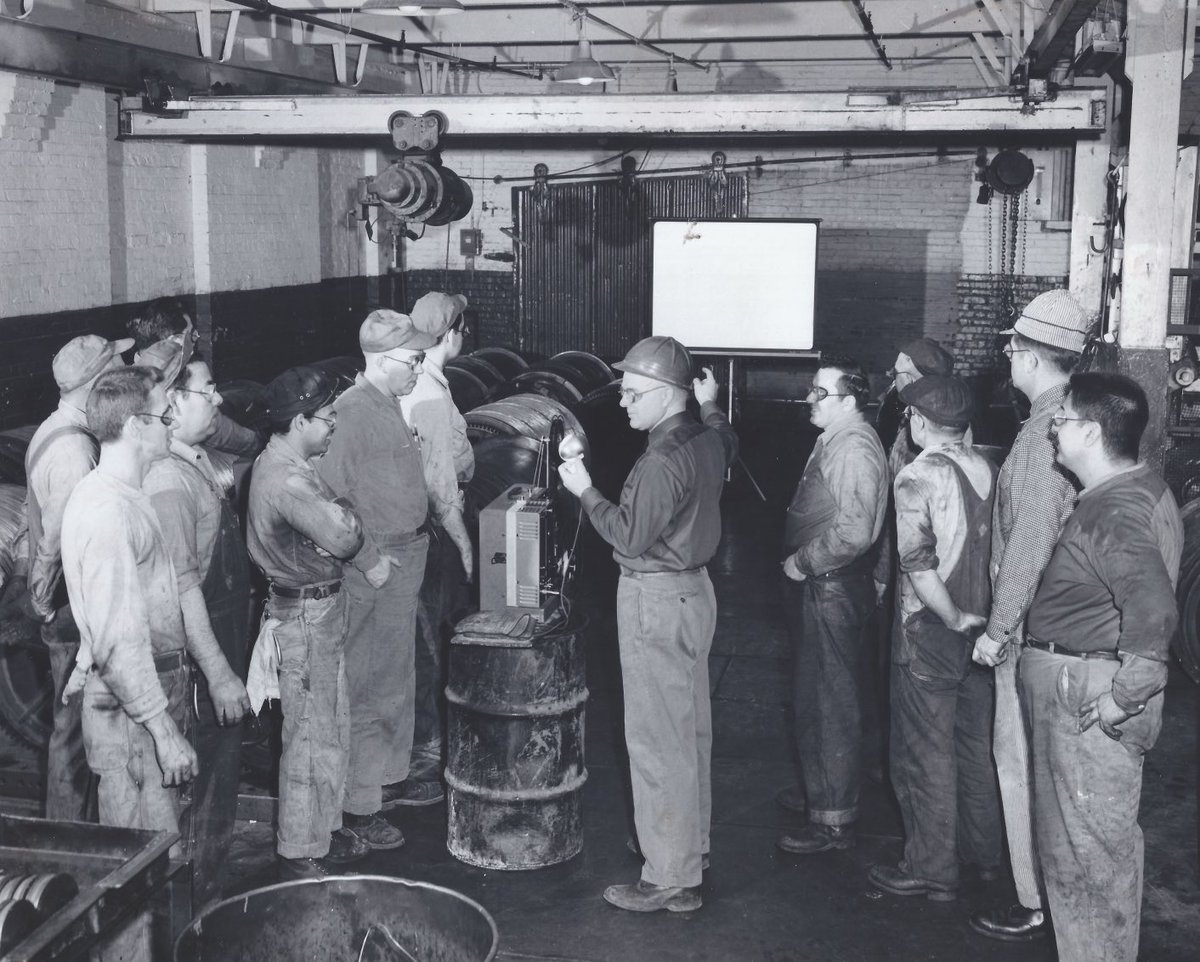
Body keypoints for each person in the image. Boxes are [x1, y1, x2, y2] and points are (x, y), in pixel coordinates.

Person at [559, 335, 736, 913]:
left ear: (667, 394)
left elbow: (629, 534)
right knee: (689, 732)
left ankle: (667, 877)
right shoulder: (708, 438)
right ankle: (690, 853)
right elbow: (727, 436)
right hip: (695, 594)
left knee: (656, 741)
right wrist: (712, 404)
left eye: (634, 395)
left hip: (655, 600)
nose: (624, 405)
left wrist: (583, 489)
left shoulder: (660, 460)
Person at [1022, 371, 1181, 962]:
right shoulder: (1143, 488)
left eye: (1060, 419)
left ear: (1089, 431)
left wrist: (1125, 694)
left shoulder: (1112, 510)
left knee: (1082, 856)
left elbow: (1153, 607)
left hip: (1088, 689)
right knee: (1100, 851)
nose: (1053, 431)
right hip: (1091, 677)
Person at [60, 366, 199, 962]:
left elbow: (106, 622)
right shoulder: (108, 512)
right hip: (135, 721)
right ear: (137, 425)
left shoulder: (119, 496)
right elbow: (119, 641)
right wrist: (163, 731)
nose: (171, 421)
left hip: (133, 701)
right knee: (141, 879)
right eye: (164, 411)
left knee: (155, 868)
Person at [968, 289, 1092, 942]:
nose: (1008, 359)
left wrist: (996, 631)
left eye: (1013, 349)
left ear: (1035, 358)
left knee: (1018, 762)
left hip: (1027, 633)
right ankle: (1044, 891)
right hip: (1047, 627)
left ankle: (1034, 898)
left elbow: (1029, 541)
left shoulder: (1048, 430)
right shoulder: (1061, 417)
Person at [867, 375, 1001, 902]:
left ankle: (930, 867)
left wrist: (950, 617)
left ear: (919, 422)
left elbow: (919, 567)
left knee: (924, 752)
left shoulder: (917, 476)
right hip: (983, 630)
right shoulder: (986, 466)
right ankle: (983, 857)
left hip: (934, 630)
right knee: (973, 747)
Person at [246, 365, 371, 879]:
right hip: (304, 615)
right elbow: (345, 538)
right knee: (308, 734)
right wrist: (344, 518)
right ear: (298, 421)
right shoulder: (288, 478)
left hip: (317, 608)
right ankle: (301, 848)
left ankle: (323, 827)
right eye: (326, 417)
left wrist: (341, 511)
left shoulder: (291, 460)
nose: (334, 424)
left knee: (329, 721)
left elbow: (340, 522)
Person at [140, 339, 251, 907]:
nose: (218, 397)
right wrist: (219, 673)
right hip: (197, 665)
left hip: (223, 641)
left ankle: (207, 896)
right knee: (199, 791)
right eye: (207, 391)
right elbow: (182, 589)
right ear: (172, 405)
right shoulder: (168, 484)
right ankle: (192, 912)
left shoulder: (196, 460)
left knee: (219, 783)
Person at [317, 309, 434, 845]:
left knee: (395, 678)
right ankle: (359, 805)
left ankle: (386, 779)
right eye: (413, 360)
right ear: (384, 361)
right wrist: (369, 559)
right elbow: (331, 501)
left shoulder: (387, 402)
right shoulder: (353, 413)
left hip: (404, 558)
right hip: (376, 565)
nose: (419, 367)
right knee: (366, 683)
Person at [776, 354, 888, 854]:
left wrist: (803, 561)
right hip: (828, 588)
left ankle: (834, 820)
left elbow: (855, 532)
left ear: (848, 401)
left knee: (830, 703)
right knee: (817, 696)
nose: (808, 399)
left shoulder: (855, 449)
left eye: (819, 394)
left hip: (831, 586)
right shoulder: (838, 439)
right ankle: (823, 792)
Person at [24, 333, 132, 820]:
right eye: (118, 365)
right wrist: (46, 604)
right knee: (73, 730)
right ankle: (67, 836)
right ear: (98, 381)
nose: (126, 367)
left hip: (71, 603)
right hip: (72, 608)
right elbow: (55, 542)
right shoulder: (73, 452)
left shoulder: (55, 427)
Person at [399, 292, 476, 799]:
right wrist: (466, 547)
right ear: (452, 334)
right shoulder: (427, 394)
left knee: (424, 637)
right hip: (433, 531)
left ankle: (423, 743)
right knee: (430, 639)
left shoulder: (424, 384)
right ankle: (426, 752)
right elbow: (440, 486)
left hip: (423, 528)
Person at [127, 296, 263, 459]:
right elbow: (231, 435)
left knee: (246, 395)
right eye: (192, 335)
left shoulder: (124, 383)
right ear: (176, 341)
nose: (196, 340)